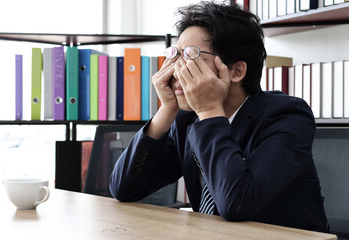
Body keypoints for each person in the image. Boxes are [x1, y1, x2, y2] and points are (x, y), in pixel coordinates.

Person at [109, 0, 329, 232]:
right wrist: (166, 109)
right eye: (175, 56)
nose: (176, 70)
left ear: (236, 71)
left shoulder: (287, 116)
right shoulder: (187, 120)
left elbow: (237, 203)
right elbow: (124, 188)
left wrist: (209, 111)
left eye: (192, 57)